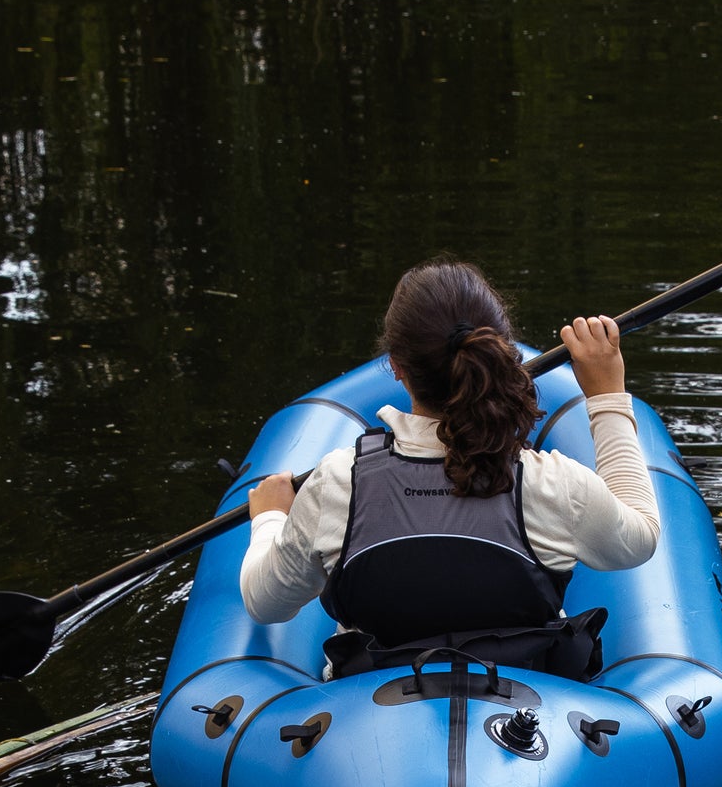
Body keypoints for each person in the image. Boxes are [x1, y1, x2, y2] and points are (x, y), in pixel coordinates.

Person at [240, 258, 659, 679]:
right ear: (503, 356)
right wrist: (608, 397)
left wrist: (271, 517)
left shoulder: (336, 482)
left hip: (370, 711)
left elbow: (266, 603)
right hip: (526, 700)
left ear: (397, 368)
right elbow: (640, 537)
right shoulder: (554, 483)